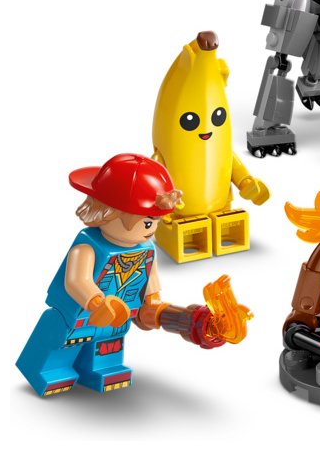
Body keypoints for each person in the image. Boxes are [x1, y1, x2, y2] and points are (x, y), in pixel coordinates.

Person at [16, 153, 227, 397]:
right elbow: (76, 281)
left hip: (118, 318)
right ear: (107, 213)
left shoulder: (146, 252)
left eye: (156, 222)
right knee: (63, 338)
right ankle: (48, 369)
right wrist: (97, 303)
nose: (152, 230)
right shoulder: (87, 248)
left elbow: (150, 290)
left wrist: (167, 313)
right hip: (79, 314)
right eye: (147, 223)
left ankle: (102, 369)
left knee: (109, 343)